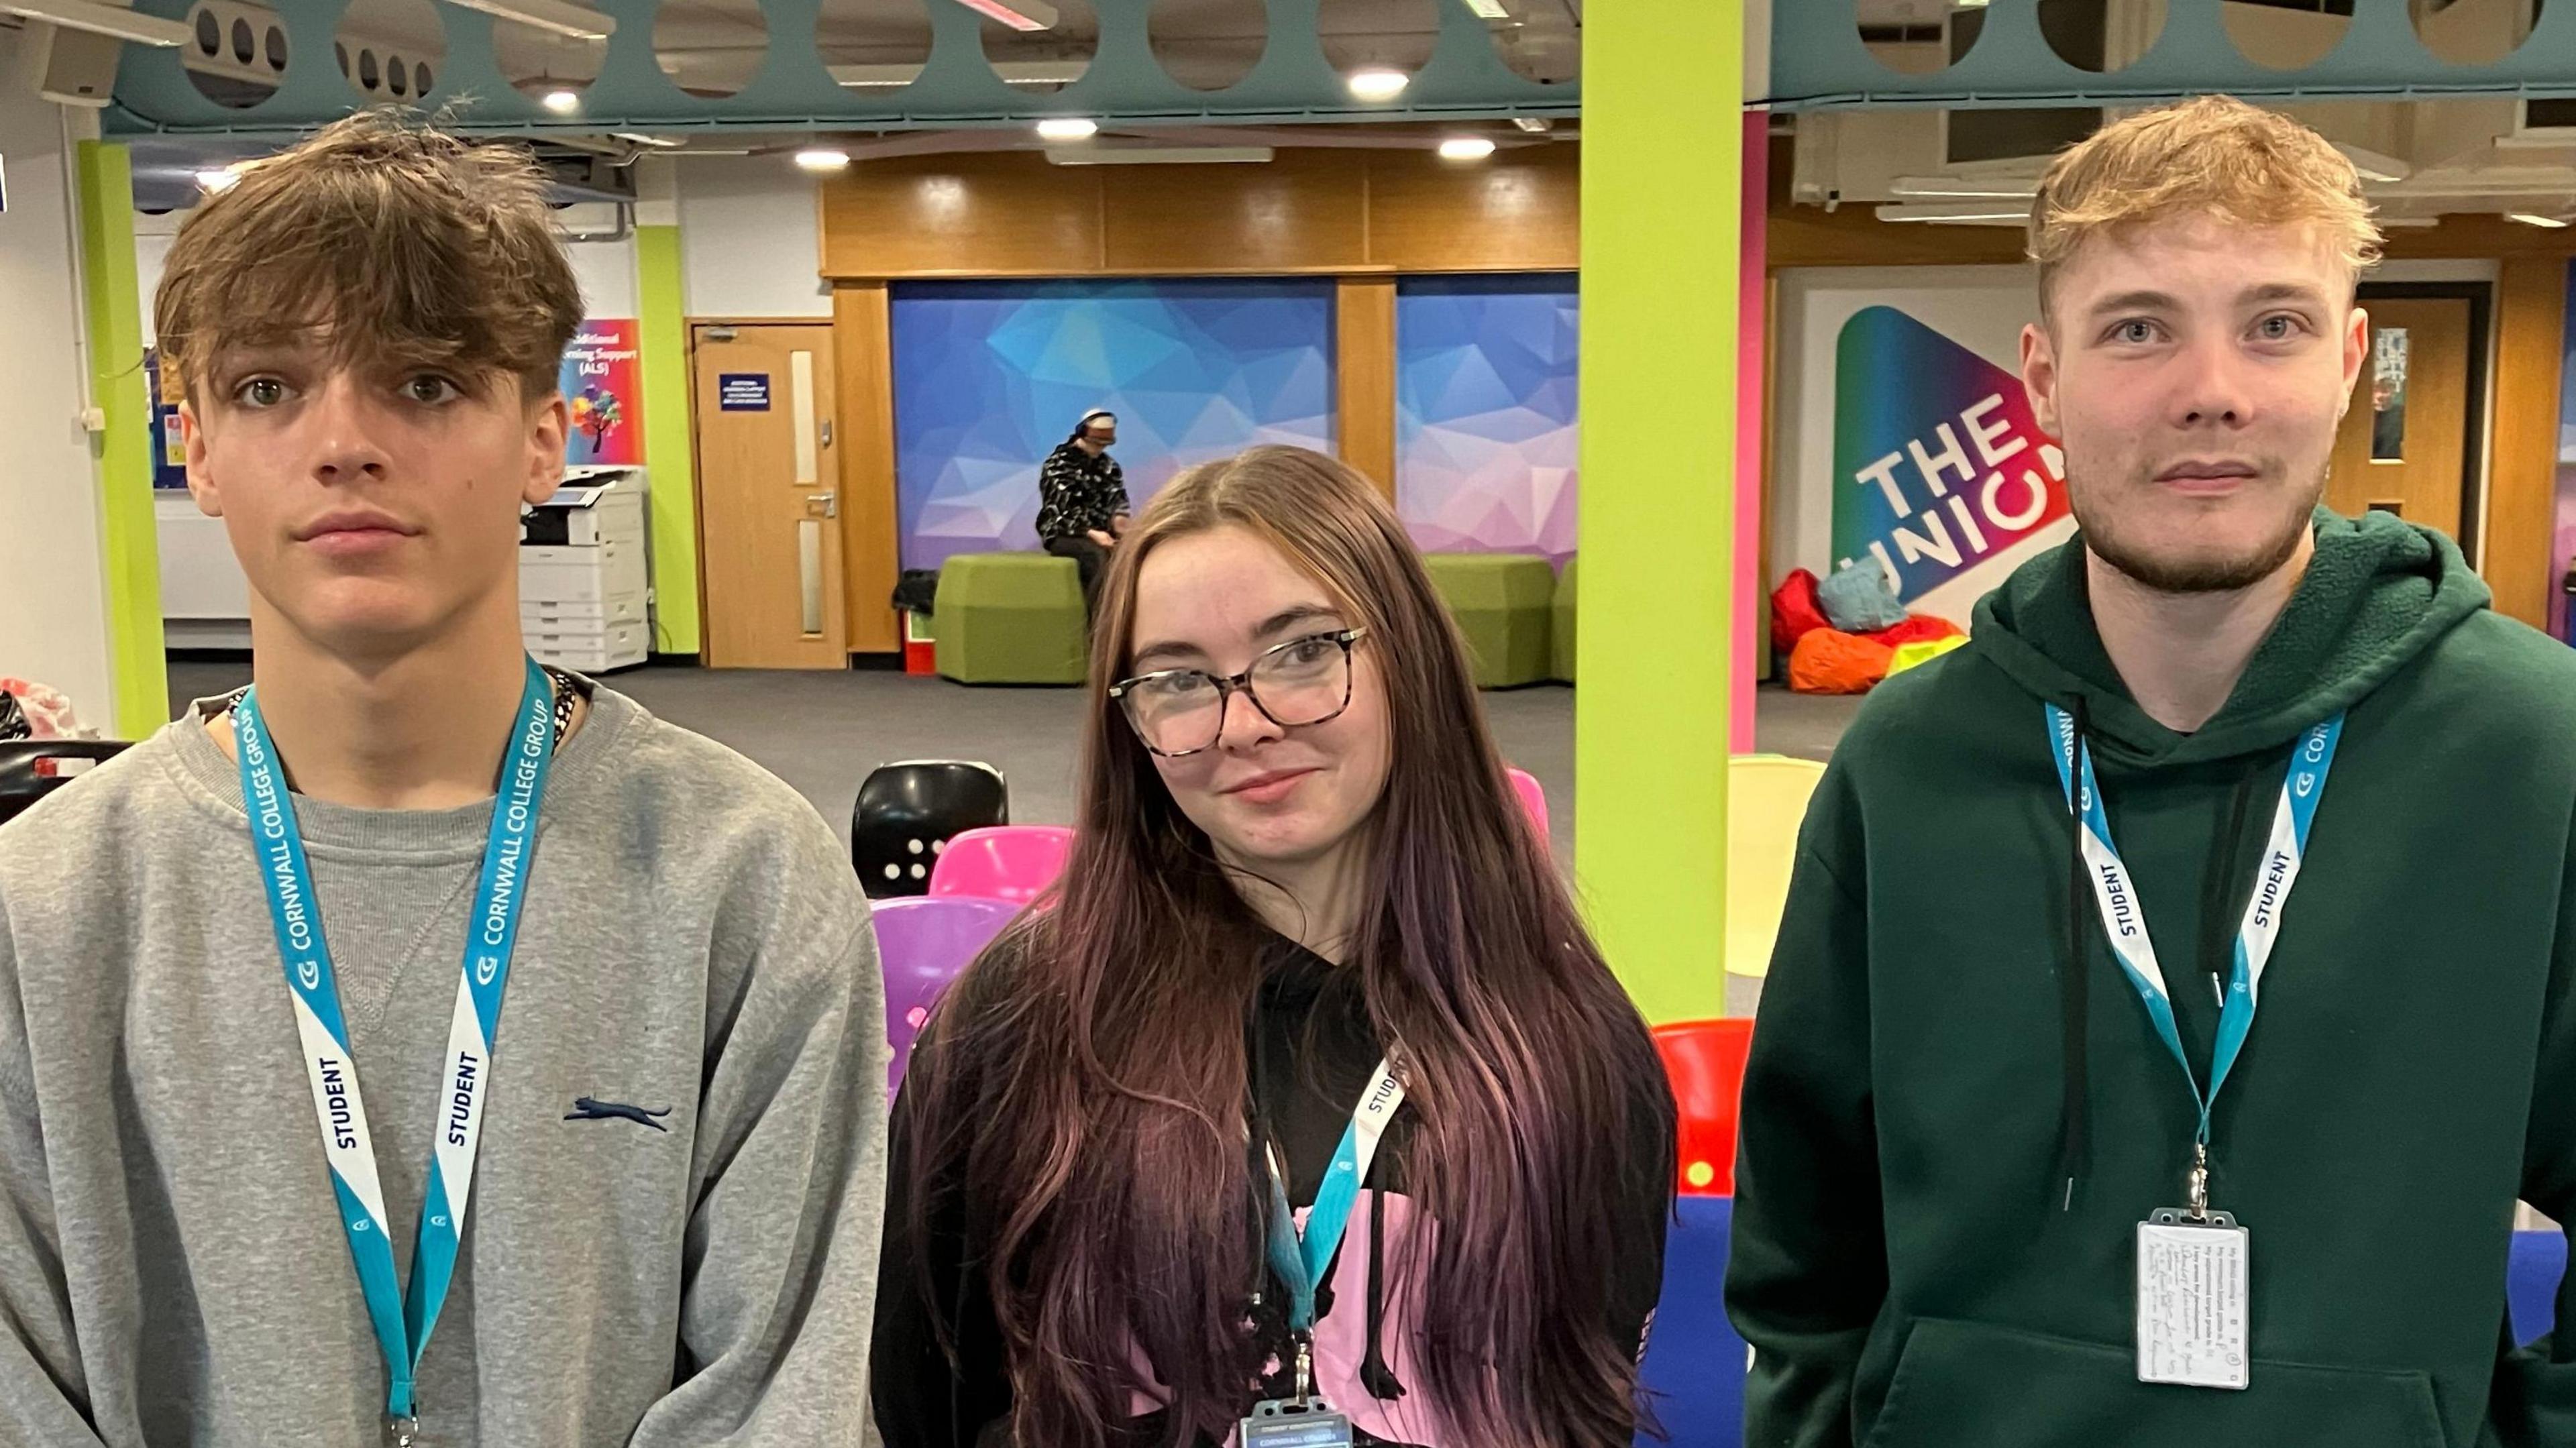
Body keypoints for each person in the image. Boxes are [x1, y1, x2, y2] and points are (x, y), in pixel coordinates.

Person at [0, 113, 887, 1446]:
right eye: (266, 387)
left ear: (544, 439)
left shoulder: (742, 876)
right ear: (197, 448)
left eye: (422, 383)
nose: (343, 440)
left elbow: (781, 1389)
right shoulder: (48, 905)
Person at [1728, 94, 2576, 1444]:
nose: (2212, 387)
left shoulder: (2536, 748)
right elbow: (1804, 1239)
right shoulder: (1908, 762)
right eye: (2138, 327)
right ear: (2045, 377)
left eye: (2275, 323)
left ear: (2351, 358)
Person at [871, 445, 1674, 1448]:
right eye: (1176, 678)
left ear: (1407, 656)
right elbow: (931, 1395)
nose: (1242, 723)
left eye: (1302, 651)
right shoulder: (1022, 1017)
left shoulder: (1559, 1036)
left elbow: (1582, 1396)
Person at [1036, 407, 1130, 614]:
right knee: (1097, 558)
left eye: (1105, 445)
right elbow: (1064, 508)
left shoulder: (1109, 466)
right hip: (1066, 532)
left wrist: (1123, 527)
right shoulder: (1058, 465)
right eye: (1096, 443)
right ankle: (1098, 626)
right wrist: (1093, 533)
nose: (1100, 449)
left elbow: (1118, 501)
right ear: (1083, 434)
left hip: (1103, 532)